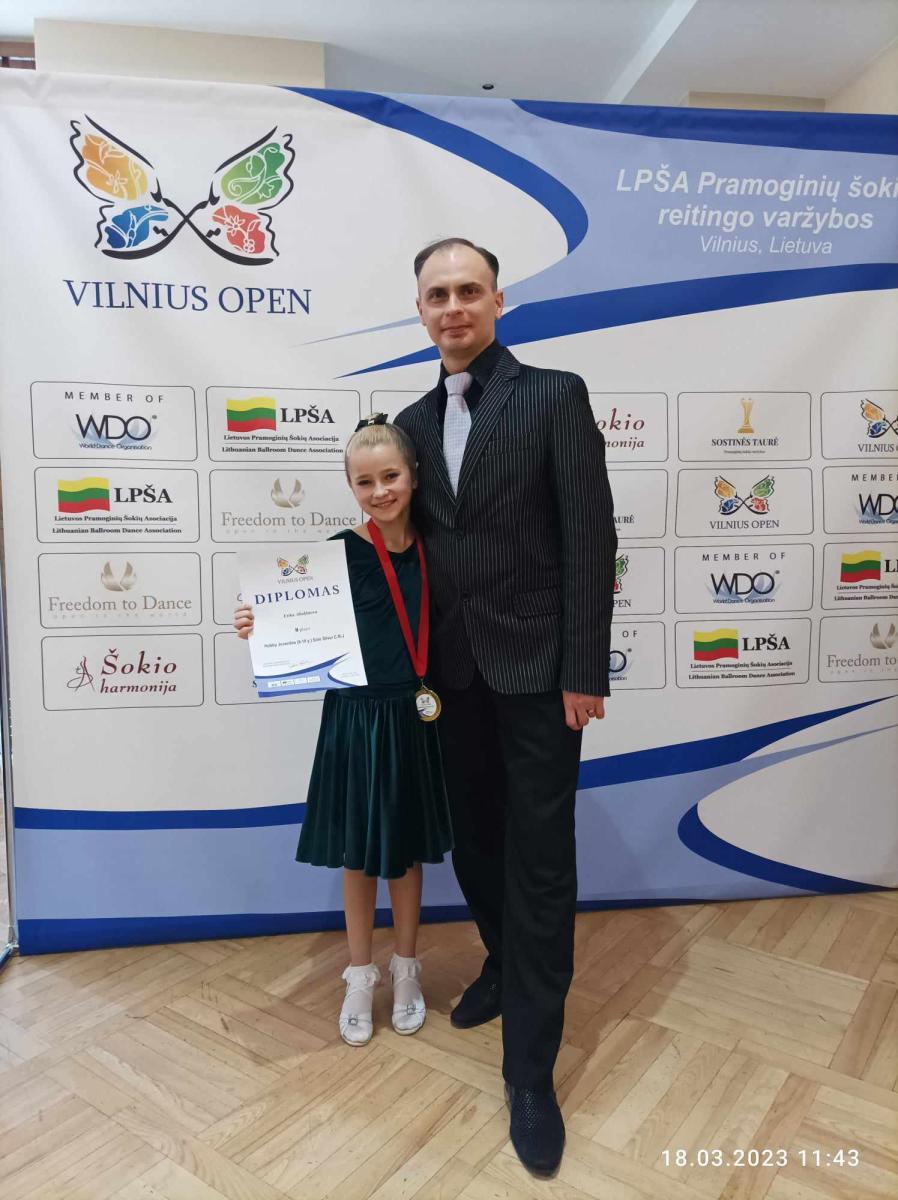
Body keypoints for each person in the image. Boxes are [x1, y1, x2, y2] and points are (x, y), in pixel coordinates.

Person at [393, 237, 617, 1177]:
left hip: (538, 674)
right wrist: (289, 610)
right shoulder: (408, 422)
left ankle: (530, 1071)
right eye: (437, 294)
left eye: (469, 291)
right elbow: (390, 542)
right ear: (420, 310)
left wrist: (584, 668)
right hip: (448, 679)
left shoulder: (553, 395)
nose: (453, 307)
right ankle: (498, 958)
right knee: (476, 844)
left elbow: (590, 536)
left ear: (497, 301)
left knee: (540, 863)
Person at [234, 418, 453, 1047]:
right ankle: (360, 975)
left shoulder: (439, 547)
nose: (380, 491)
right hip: (356, 718)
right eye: (365, 482)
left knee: (405, 852)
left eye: (391, 476)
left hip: (414, 715)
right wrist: (259, 623)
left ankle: (406, 967)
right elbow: (292, 622)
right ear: (350, 486)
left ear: (413, 475)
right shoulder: (336, 554)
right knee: (360, 854)